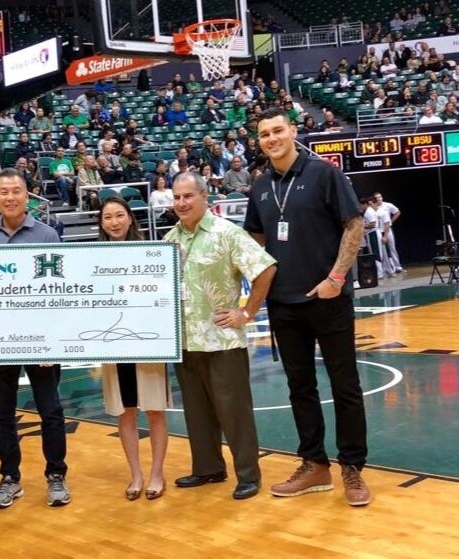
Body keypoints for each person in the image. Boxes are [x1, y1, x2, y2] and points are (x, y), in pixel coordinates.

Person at [243, 107, 371, 507]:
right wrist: (252, 293)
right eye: (264, 134)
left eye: (277, 131)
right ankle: (314, 465)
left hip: (328, 299)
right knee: (301, 388)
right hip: (284, 304)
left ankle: (352, 467)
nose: (271, 139)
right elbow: (255, 241)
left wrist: (336, 278)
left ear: (293, 131)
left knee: (345, 385)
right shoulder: (260, 186)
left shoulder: (325, 174)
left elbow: (355, 225)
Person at [165, 172, 276, 500]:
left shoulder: (227, 232)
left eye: (188, 196)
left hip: (223, 339)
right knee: (197, 412)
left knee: (234, 411)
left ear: (204, 197)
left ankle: (248, 475)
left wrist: (246, 312)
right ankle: (208, 468)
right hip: (185, 341)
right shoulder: (169, 239)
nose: (182, 203)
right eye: (177, 197)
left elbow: (265, 268)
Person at [0, 169, 70, 509]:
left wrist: (53, 339)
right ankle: (10, 477)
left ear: (28, 196)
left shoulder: (47, 235)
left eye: (16, 191)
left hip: (41, 339)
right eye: (4, 192)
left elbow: (60, 291)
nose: (10, 197)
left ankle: (56, 475)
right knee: (1, 413)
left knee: (50, 410)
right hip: (0, 340)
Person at [95, 197, 170, 500]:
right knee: (125, 413)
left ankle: (157, 474)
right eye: (107, 217)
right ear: (101, 223)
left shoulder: (151, 253)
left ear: (130, 218)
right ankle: (136, 475)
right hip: (114, 344)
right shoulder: (92, 259)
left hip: (148, 341)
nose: (114, 222)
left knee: (154, 411)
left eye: (119, 215)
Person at [373, 192, 402, 272]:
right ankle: (385, 268)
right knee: (382, 250)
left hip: (387, 228)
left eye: (380, 197)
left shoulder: (387, 205)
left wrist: (391, 221)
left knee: (392, 248)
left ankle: (397, 266)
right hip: (378, 230)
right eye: (377, 197)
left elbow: (397, 212)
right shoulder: (373, 207)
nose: (379, 199)